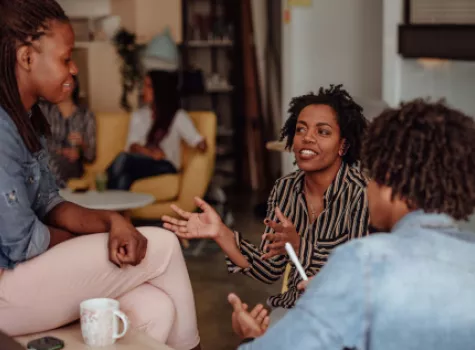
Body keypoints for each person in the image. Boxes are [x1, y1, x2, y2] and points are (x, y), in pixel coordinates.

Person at [0, 1, 200, 349]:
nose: (74, 69)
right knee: (164, 245)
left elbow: (49, 202)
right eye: (65, 58)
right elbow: (23, 243)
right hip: (7, 288)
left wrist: (111, 221)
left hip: (24, 284)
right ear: (26, 57)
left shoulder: (26, 121)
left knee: (155, 308)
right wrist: (97, 239)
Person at [230, 100, 475, 350]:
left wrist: (252, 337)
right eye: (301, 130)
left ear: (387, 181)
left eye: (371, 175)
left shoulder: (363, 262)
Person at [163, 85, 370, 314]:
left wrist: (300, 246)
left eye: (323, 132)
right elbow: (269, 269)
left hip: (345, 316)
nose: (307, 138)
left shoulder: (361, 193)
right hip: (293, 311)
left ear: (343, 145)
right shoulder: (285, 189)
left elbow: (359, 273)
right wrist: (221, 232)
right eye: (301, 129)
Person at [107, 70, 207, 190]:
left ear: (160, 90)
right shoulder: (139, 116)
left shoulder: (176, 116)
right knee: (124, 178)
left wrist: (201, 145)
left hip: (166, 165)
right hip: (142, 162)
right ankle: (112, 207)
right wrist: (150, 153)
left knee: (123, 158)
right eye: (144, 85)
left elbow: (198, 141)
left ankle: (102, 183)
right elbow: (132, 146)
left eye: (148, 86)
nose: (143, 90)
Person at [39, 75, 96, 188]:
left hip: (72, 165)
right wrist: (61, 151)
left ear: (74, 86)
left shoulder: (85, 115)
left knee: (50, 165)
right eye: (61, 83)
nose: (65, 87)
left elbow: (91, 155)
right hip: (49, 157)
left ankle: (55, 202)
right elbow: (37, 140)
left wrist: (81, 146)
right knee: (45, 163)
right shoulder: (46, 111)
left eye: (68, 83)